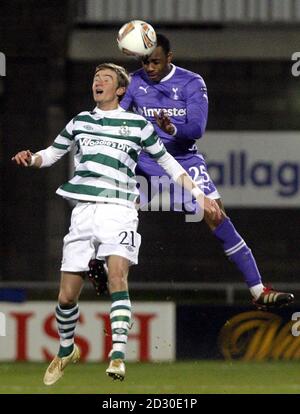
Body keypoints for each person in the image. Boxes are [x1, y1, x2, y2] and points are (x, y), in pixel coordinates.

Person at [12, 63, 221, 384]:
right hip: (82, 210)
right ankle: (67, 349)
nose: (98, 82)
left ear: (120, 89)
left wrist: (202, 195)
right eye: (96, 78)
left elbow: (170, 165)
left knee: (117, 278)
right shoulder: (80, 121)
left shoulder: (137, 125)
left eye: (106, 79)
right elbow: (51, 155)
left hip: (120, 209)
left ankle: (118, 356)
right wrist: (32, 158)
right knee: (67, 296)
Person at [120, 34, 294, 309]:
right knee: (117, 208)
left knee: (215, 213)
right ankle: (101, 267)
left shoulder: (191, 82)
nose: (150, 68)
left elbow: (197, 129)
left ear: (169, 58)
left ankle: (259, 290)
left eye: (155, 62)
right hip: (147, 159)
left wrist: (172, 129)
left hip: (183, 158)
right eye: (145, 62)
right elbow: (115, 118)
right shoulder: (134, 81)